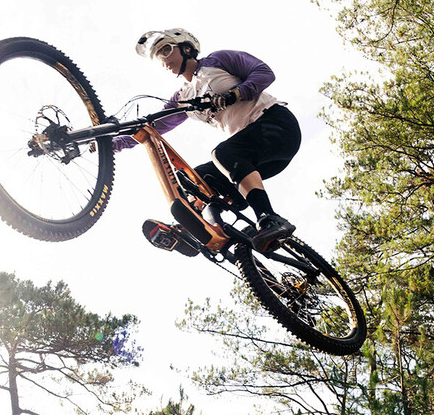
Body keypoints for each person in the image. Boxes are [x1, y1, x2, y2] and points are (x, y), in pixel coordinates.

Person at [115, 28, 300, 250]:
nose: (163, 59)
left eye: (166, 50)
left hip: (277, 125)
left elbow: (264, 72)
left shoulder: (218, 60)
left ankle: (269, 218)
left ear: (186, 48)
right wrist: (114, 143)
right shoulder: (183, 97)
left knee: (222, 153)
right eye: (157, 56)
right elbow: (153, 127)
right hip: (252, 155)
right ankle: (205, 233)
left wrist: (236, 94)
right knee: (194, 179)